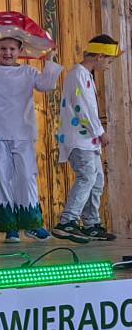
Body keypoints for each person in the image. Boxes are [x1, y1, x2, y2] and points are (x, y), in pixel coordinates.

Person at [0, 37, 62, 242]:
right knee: (2, 177)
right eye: (3, 48)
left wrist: (50, 60)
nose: (8, 53)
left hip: (23, 132)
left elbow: (46, 85)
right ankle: (10, 227)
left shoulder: (28, 72)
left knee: (26, 175)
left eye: (12, 49)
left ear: (20, 50)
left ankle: (33, 224)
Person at [53, 34, 121, 243]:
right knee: (87, 177)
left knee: (97, 180)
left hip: (89, 141)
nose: (108, 66)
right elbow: (82, 108)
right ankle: (67, 221)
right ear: (100, 56)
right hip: (79, 139)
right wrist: (99, 131)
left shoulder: (87, 75)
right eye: (108, 61)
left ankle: (91, 223)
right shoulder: (78, 74)